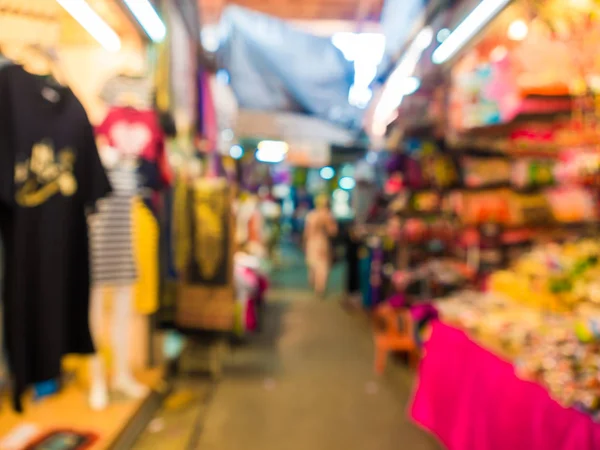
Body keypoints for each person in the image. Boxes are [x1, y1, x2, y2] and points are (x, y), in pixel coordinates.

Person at [303, 195, 338, 296]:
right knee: (322, 265)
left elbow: (306, 232)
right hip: (322, 243)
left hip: (312, 243)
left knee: (314, 264)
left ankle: (317, 284)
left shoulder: (311, 215)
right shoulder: (328, 215)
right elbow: (333, 232)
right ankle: (320, 286)